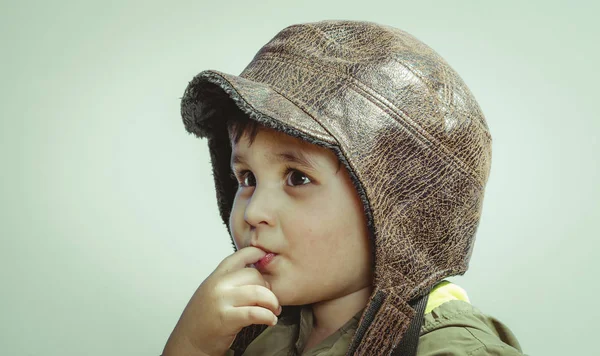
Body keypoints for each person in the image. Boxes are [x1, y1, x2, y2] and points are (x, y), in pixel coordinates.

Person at [162, 20, 526, 356]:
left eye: (297, 178)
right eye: (247, 179)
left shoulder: (453, 348)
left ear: (397, 208)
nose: (254, 211)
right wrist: (192, 344)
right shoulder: (255, 329)